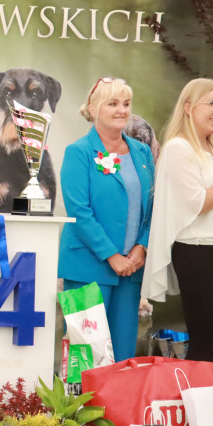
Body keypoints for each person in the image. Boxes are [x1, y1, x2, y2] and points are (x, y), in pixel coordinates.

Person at [58, 77, 154, 362]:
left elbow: (153, 207)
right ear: (94, 107)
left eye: (126, 104)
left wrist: (141, 248)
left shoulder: (142, 152)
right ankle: (78, 407)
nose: (121, 110)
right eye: (113, 103)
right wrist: (112, 256)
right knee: (83, 355)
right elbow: (79, 211)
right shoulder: (78, 152)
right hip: (87, 268)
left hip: (132, 270)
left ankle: (117, 407)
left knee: (123, 352)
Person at [143, 78, 213, 362]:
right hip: (197, 252)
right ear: (189, 107)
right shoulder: (178, 149)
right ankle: (196, 404)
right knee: (206, 337)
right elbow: (199, 203)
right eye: (212, 103)